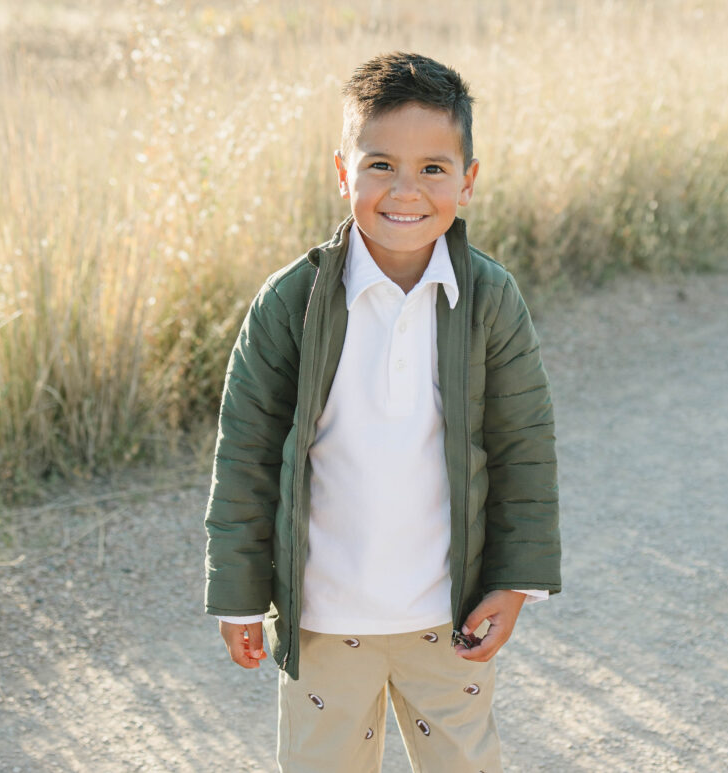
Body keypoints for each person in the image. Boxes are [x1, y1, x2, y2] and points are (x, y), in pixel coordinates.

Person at [203, 51, 560, 772]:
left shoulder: (488, 299)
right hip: (325, 624)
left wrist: (515, 579)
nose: (406, 190)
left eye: (433, 167)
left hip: (444, 619)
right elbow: (244, 452)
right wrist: (238, 594)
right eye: (379, 165)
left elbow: (523, 445)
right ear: (343, 173)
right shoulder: (290, 302)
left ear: (469, 180)